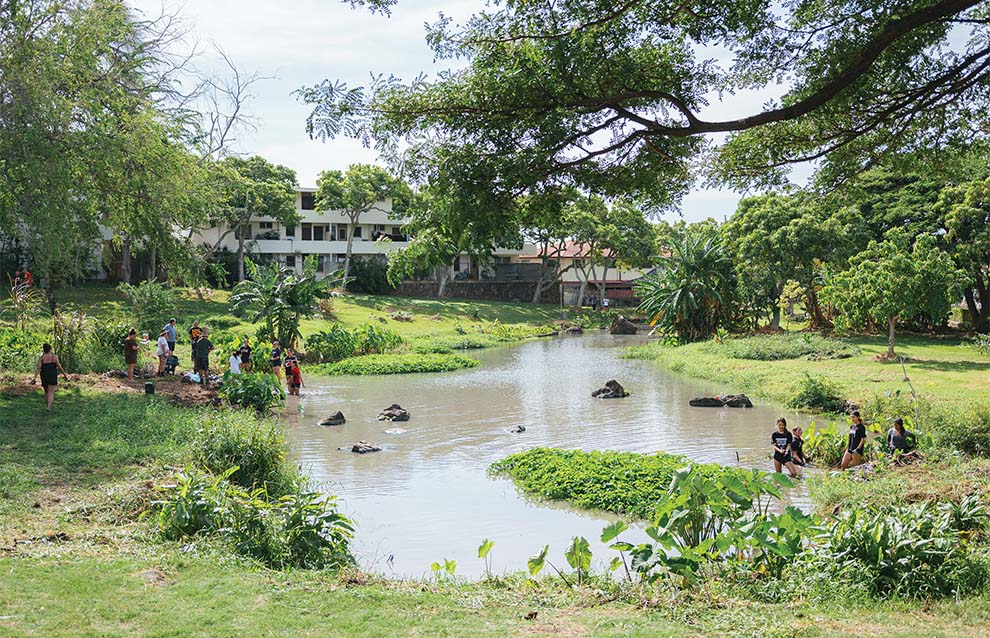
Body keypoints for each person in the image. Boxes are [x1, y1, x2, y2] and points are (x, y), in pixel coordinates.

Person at [31, 343, 68, 412]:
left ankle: (47, 405)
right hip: (52, 374)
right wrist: (65, 375)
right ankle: (49, 407)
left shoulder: (41, 358)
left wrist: (34, 378)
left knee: (46, 392)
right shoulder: (54, 357)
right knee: (51, 392)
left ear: (44, 349)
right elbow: (59, 367)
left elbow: (39, 368)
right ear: (50, 349)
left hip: (44, 375)